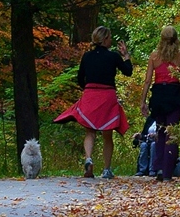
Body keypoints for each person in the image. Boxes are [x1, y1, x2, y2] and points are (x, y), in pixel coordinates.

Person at [54, 26, 133, 179]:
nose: (110, 40)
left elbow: (79, 78)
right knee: (107, 133)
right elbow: (128, 71)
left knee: (90, 131)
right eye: (109, 38)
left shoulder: (87, 56)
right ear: (104, 39)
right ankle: (106, 169)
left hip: (90, 94)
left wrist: (88, 89)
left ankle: (88, 158)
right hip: (107, 95)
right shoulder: (113, 56)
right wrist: (126, 55)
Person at [140, 25, 180, 182]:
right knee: (172, 133)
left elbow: (148, 80)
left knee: (161, 131)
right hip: (175, 95)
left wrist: (143, 101)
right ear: (177, 39)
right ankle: (168, 171)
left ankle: (159, 168)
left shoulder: (154, 57)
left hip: (159, 95)